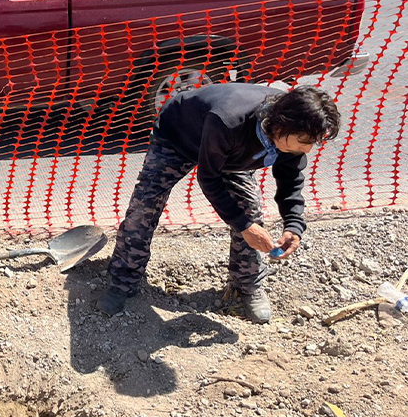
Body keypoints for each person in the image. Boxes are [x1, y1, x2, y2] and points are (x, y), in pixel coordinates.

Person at [97, 84, 340, 324]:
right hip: (179, 136)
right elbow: (209, 179)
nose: (308, 149)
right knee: (144, 206)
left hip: (230, 155)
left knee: (250, 210)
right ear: (282, 125)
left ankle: (247, 285)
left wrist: (293, 224)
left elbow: (291, 178)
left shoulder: (293, 130)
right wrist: (244, 227)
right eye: (304, 141)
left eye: (313, 142)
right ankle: (123, 281)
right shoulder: (229, 120)